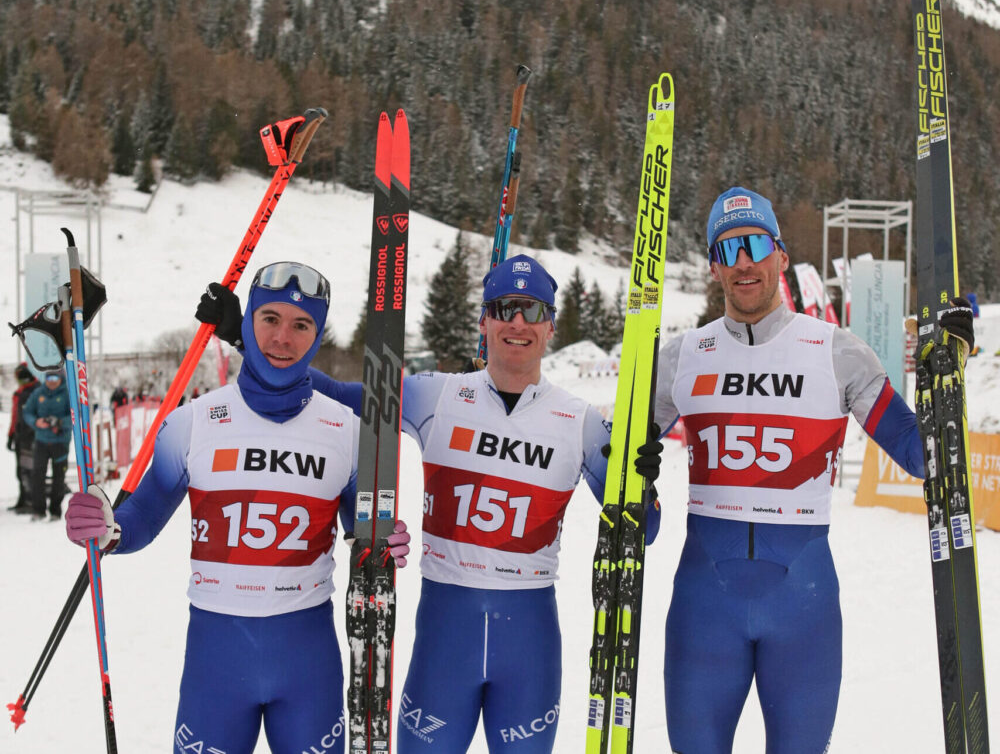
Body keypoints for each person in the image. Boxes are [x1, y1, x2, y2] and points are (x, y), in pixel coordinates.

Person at [196, 252, 664, 753]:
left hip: (529, 646)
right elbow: (335, 393)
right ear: (483, 321)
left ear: (551, 326)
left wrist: (643, 482)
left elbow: (643, 531)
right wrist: (245, 338)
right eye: (505, 308)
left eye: (533, 310)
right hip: (445, 643)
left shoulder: (581, 422)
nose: (519, 323)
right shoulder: (437, 397)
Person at [653, 186, 975, 754]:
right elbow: (617, 467)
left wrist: (945, 373)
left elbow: (924, 454)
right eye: (728, 251)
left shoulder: (836, 352)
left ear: (780, 253)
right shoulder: (680, 358)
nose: (744, 262)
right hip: (705, 609)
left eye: (754, 245)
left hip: (802, 608)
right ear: (713, 268)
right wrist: (636, 495)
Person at [65, 262, 411, 754]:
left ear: (316, 336)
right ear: (247, 322)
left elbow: (364, 530)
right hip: (217, 665)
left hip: (307, 662)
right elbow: (141, 515)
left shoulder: (348, 431)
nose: (282, 338)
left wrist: (381, 539)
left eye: (301, 324)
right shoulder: (192, 423)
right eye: (269, 318)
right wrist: (107, 529)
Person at [23, 367, 73, 521]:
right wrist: (36, 421)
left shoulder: (67, 394)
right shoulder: (38, 394)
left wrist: (59, 422)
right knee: (37, 475)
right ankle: (38, 510)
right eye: (48, 379)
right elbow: (27, 412)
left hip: (60, 442)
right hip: (41, 441)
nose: (51, 383)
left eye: (54, 379)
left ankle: (55, 511)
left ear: (60, 379)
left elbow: (74, 417)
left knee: (59, 477)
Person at [7, 362, 40, 513]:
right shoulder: (20, 393)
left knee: (29, 470)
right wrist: (11, 434)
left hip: (32, 437)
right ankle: (23, 499)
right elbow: (15, 416)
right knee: (21, 471)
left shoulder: (36, 391)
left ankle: (30, 501)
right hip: (21, 437)